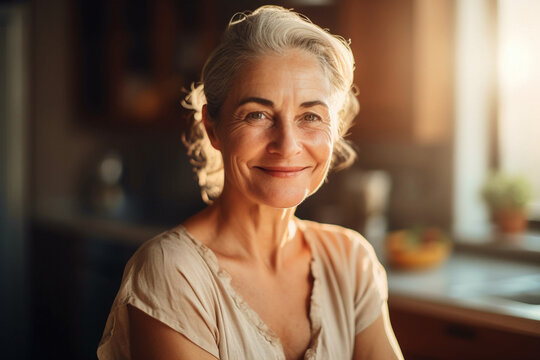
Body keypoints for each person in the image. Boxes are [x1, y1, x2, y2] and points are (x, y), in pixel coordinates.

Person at [97, 5, 403, 360]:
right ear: (213, 129)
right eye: (257, 114)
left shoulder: (351, 261)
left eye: (310, 116)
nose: (287, 144)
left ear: (334, 130)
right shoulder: (172, 271)